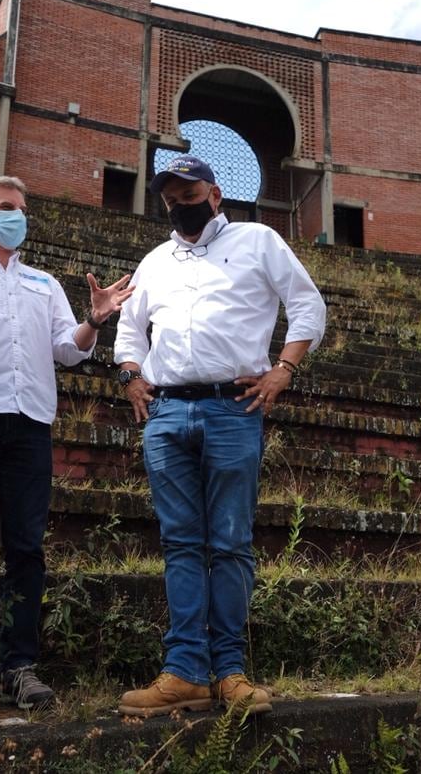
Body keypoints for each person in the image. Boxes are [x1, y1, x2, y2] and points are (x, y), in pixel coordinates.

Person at [114, 156, 327, 717]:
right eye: (170, 197)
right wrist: (132, 375)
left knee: (229, 543)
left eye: (188, 193)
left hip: (233, 407)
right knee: (182, 543)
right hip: (167, 413)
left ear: (214, 192)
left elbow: (308, 305)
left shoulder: (258, 240)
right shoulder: (155, 260)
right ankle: (184, 671)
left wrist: (285, 368)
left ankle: (229, 671)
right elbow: (130, 328)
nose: (179, 204)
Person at [0, 176, 132, 711]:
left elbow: (68, 350)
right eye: (7, 208)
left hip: (30, 423)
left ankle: (19, 665)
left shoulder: (43, 282)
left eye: (23, 209)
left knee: (26, 547)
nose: (18, 216)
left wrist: (94, 321)